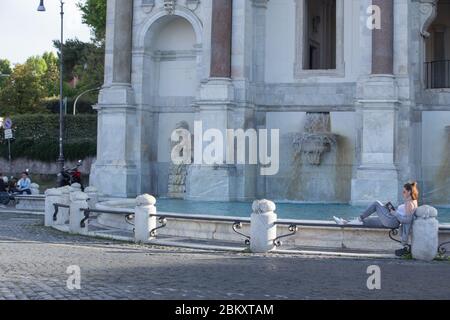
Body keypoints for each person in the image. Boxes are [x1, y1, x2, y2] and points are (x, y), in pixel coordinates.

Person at [333, 182, 419, 257]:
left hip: (392, 221)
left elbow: (407, 220)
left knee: (376, 203)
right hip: (391, 219)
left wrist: (394, 213)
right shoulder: (412, 202)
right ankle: (344, 223)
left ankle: (359, 218)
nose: (402, 193)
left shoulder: (410, 204)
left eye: (404, 192)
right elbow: (404, 216)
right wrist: (392, 210)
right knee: (367, 221)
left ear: (409, 192)